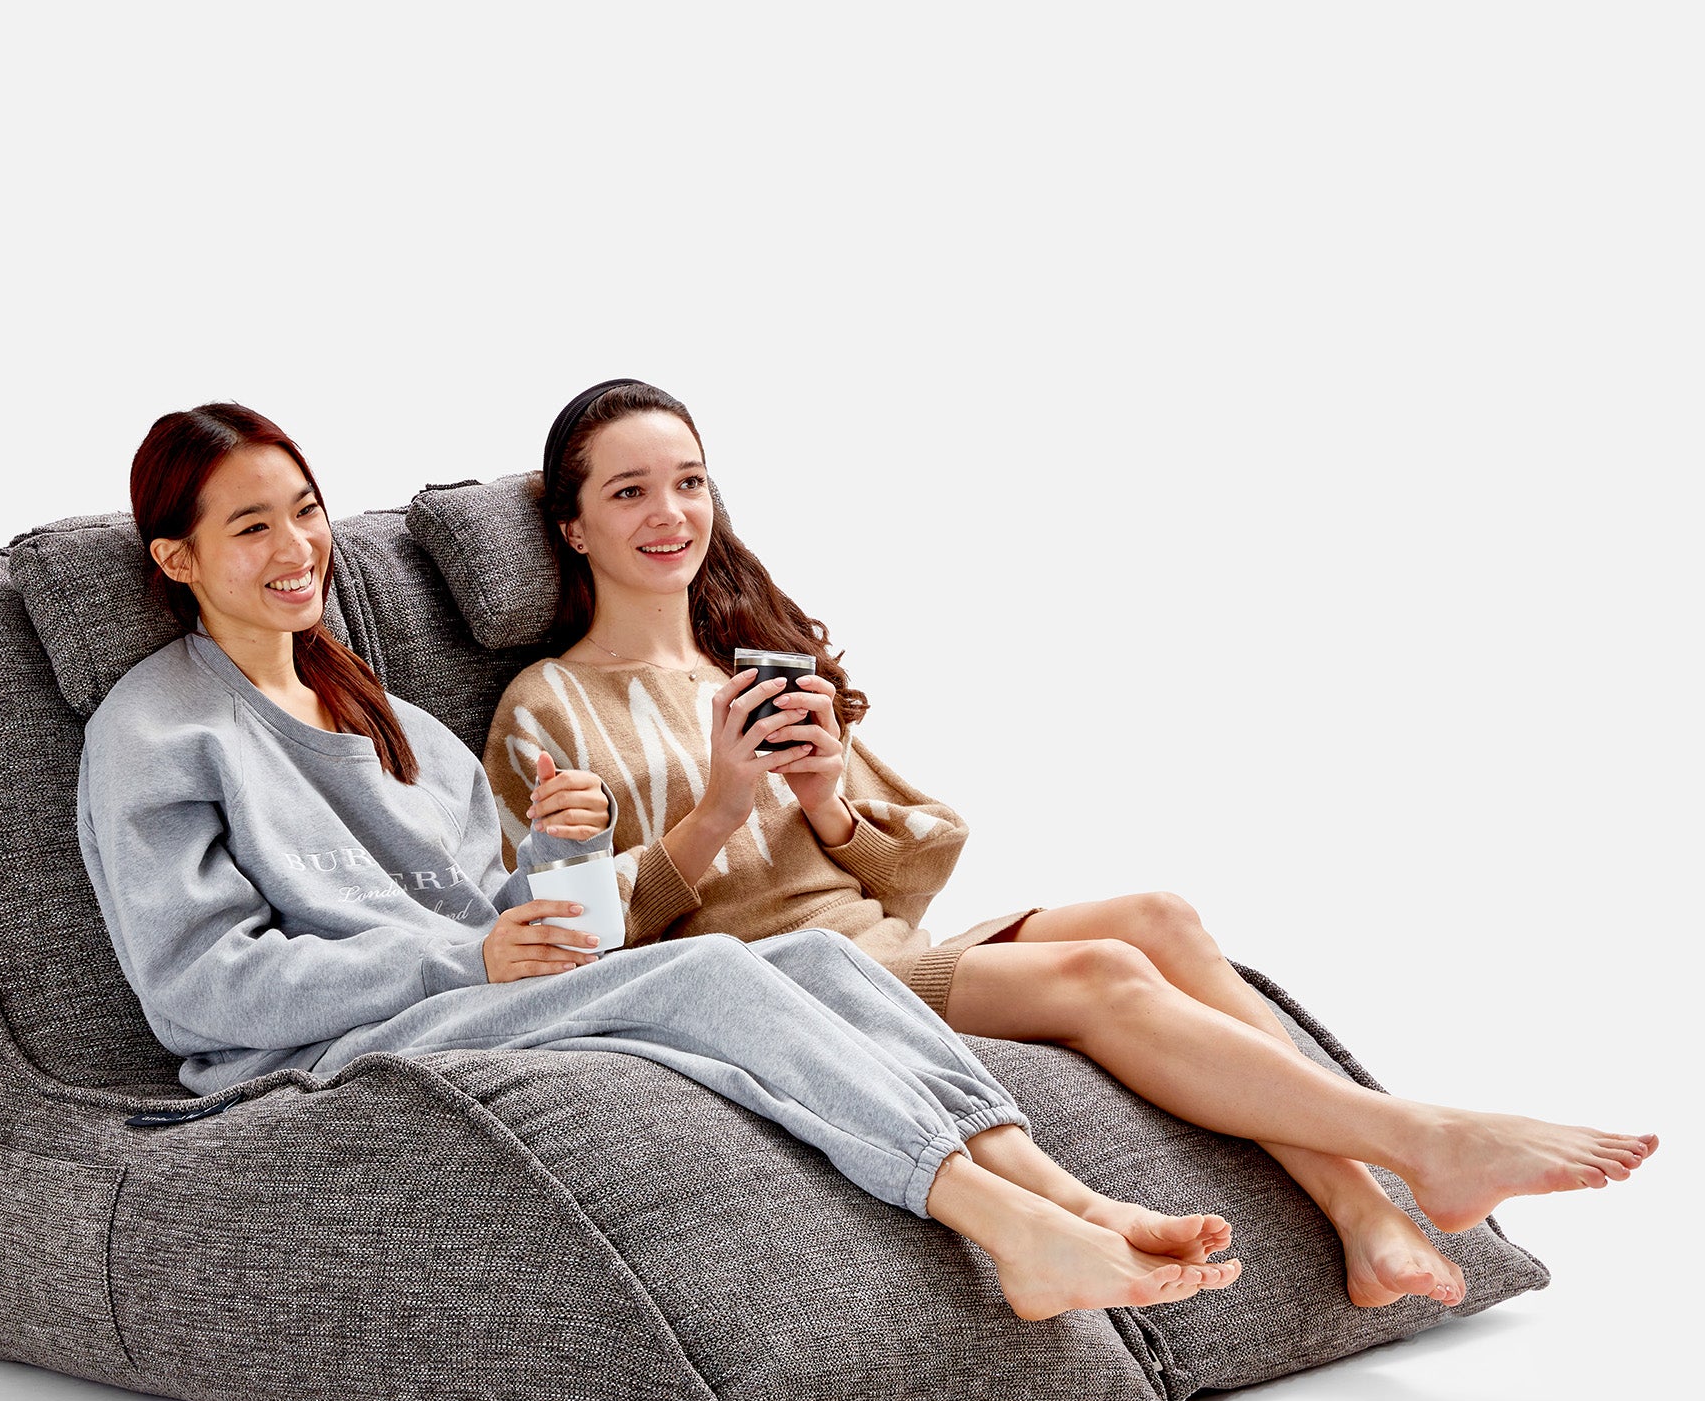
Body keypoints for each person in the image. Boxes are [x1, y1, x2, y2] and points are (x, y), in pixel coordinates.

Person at [485, 379, 1658, 1307]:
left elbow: (909, 876)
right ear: (572, 525)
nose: (670, 513)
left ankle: (1358, 1211)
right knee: (1102, 970)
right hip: (799, 980)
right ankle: (1422, 1139)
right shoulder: (546, 705)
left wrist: (827, 797)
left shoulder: (750, 661)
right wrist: (718, 809)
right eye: (630, 491)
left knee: (1158, 915)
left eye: (689, 481)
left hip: (885, 941)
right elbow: (563, 943)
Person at [77, 401, 1246, 1324]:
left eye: (304, 510)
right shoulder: (159, 732)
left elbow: (506, 918)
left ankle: (1071, 1200)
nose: (297, 548)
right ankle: (1007, 1229)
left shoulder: (396, 725)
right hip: (313, 1046)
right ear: (178, 558)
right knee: (709, 970)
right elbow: (197, 988)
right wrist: (465, 957)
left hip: (464, 994)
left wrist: (562, 853)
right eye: (251, 527)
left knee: (812, 961)